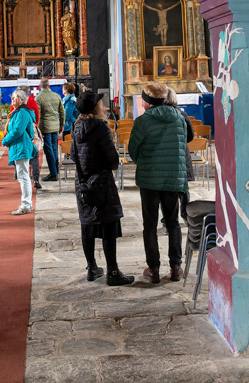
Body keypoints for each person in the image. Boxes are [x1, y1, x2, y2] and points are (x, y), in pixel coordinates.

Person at [71, 91, 135, 286]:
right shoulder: (100, 126)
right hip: (101, 182)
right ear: (95, 107)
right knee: (108, 225)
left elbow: (73, 154)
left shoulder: (76, 126)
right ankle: (112, 272)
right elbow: (112, 160)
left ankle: (92, 268)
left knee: (87, 223)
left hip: (83, 183)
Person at [128, 81, 188, 283]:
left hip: (150, 178)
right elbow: (184, 142)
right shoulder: (179, 117)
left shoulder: (142, 121)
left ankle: (153, 269)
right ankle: (176, 267)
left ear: (147, 101)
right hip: (173, 176)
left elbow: (133, 150)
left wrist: (146, 162)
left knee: (150, 225)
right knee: (173, 223)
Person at [3, 89, 38, 215]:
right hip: (19, 146)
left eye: (16, 97)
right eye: (12, 97)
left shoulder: (22, 112)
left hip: (21, 146)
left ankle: (26, 205)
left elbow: (18, 130)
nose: (12, 99)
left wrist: (5, 140)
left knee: (23, 177)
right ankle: (26, 203)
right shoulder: (18, 112)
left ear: (22, 100)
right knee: (23, 176)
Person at [164, 87, 196, 221]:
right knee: (183, 188)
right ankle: (186, 215)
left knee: (167, 190)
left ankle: (167, 219)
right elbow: (190, 136)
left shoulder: (159, 115)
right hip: (181, 153)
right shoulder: (182, 114)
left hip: (166, 154)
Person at [36, 78, 65, 182]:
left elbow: (38, 115)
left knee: (48, 150)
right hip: (55, 126)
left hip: (45, 126)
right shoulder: (56, 96)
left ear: (40, 86)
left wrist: (37, 129)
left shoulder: (39, 97)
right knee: (54, 149)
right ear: (49, 86)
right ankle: (55, 171)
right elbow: (62, 112)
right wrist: (61, 124)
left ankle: (53, 174)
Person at [25, 91, 43, 189]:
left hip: (24, 137)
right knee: (35, 158)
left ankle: (22, 177)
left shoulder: (17, 111)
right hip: (33, 132)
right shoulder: (32, 102)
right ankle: (36, 179)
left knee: (24, 158)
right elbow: (37, 115)